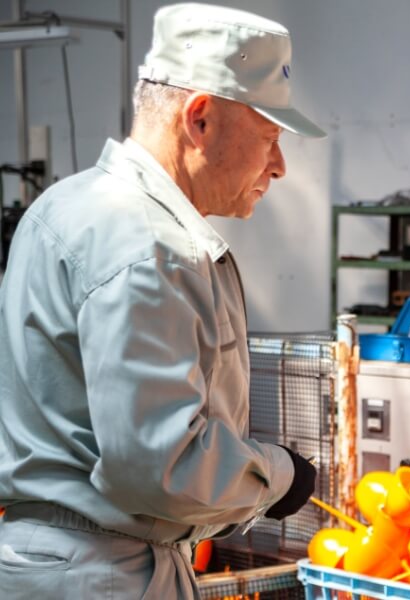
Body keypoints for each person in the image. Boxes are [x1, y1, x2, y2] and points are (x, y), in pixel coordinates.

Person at [0, 4, 325, 598]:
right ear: (200, 119)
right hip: (104, 575)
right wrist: (279, 473)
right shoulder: (149, 243)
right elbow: (164, 466)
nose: (278, 166)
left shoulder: (61, 207)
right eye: (271, 137)